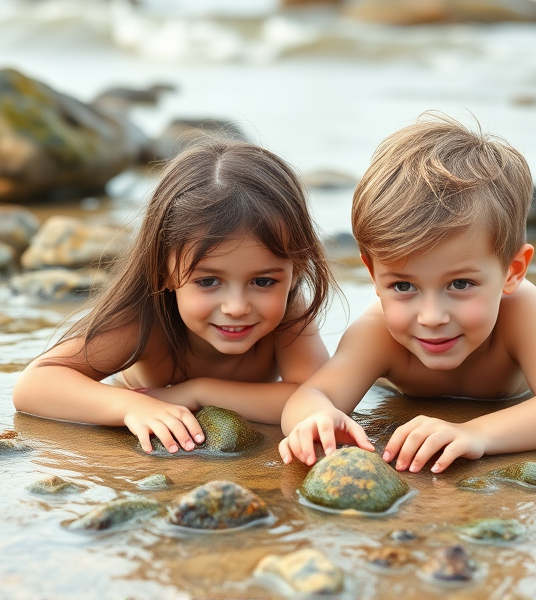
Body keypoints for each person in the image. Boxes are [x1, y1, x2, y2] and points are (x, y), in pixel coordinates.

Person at [279, 112, 536, 474]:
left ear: (513, 271)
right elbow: (309, 395)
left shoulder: (521, 312)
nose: (431, 316)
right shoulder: (378, 333)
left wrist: (476, 433)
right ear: (373, 273)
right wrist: (316, 419)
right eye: (403, 286)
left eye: (460, 284)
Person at [13, 139, 336, 455]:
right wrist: (131, 406)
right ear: (163, 270)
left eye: (263, 281)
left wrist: (198, 392)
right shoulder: (143, 319)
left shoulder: (290, 311)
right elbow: (34, 386)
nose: (236, 307)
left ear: (296, 268)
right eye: (208, 281)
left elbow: (321, 394)